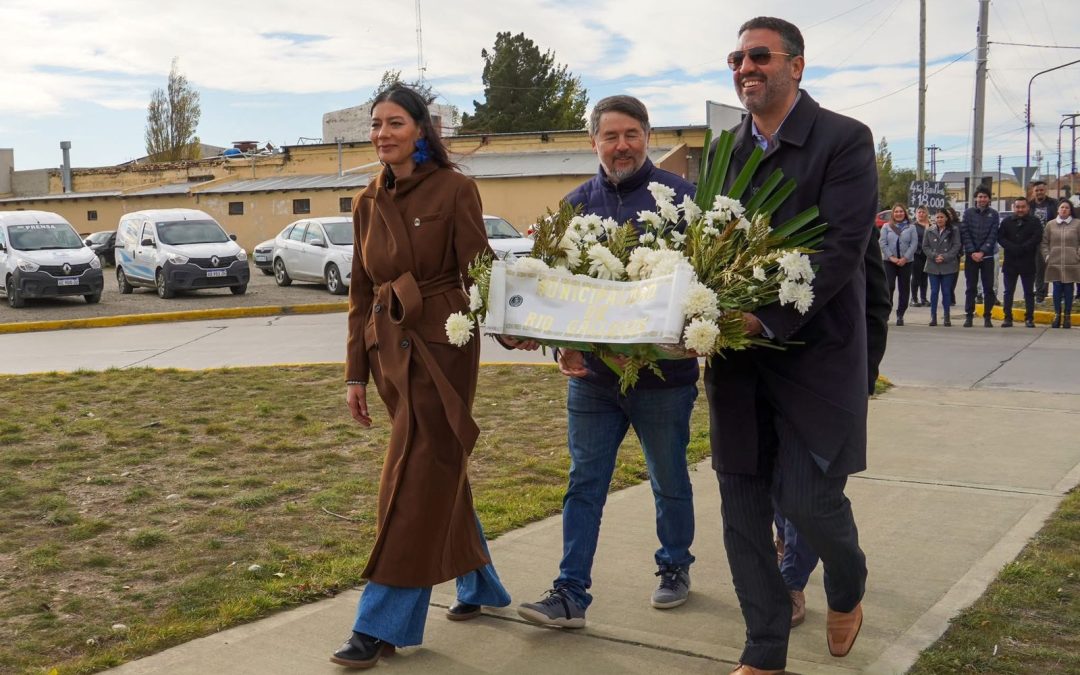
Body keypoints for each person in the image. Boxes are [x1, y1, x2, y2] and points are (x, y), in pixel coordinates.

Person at [707, 17, 875, 674]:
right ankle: (764, 650)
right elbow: (706, 245)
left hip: (814, 356)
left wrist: (765, 319)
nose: (745, 68)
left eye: (759, 56)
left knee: (810, 500)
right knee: (743, 509)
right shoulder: (725, 150)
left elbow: (840, 251)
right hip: (736, 365)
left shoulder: (843, 140)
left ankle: (847, 584)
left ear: (796, 66)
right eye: (736, 59)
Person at [332, 84, 511, 669]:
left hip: (444, 349)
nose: (384, 134)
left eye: (395, 123)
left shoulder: (456, 188)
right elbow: (360, 293)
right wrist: (355, 374)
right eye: (377, 125)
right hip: (389, 351)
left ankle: (380, 622)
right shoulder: (364, 202)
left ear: (420, 129)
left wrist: (512, 323)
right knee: (436, 469)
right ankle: (481, 584)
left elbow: (479, 271)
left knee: (412, 474)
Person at [515, 95, 700, 629]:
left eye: (631, 135)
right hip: (593, 381)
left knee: (668, 479)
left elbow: (702, 285)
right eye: (610, 136)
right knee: (584, 483)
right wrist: (561, 344)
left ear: (648, 138)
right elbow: (559, 293)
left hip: (664, 379)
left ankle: (674, 566)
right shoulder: (573, 206)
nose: (621, 146)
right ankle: (570, 592)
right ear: (593, 142)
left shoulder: (681, 200)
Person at [997, 197, 1042, 328]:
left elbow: (1037, 237)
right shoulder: (1006, 222)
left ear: (1028, 208)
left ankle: (1029, 318)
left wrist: (1023, 248)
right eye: (1018, 207)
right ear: (1013, 208)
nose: (1020, 209)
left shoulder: (1035, 221)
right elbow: (1001, 238)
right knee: (1008, 292)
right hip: (1010, 262)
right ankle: (1007, 318)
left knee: (1029, 292)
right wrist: (1012, 247)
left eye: (1023, 207)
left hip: (1028, 262)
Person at [960, 186, 1000, 327]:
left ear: (989, 199)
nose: (982, 199)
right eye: (980, 196)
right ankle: (969, 316)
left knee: (988, 288)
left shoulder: (994, 214)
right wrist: (972, 252)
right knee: (971, 287)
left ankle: (987, 316)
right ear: (976, 198)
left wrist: (982, 252)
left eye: (985, 196)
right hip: (971, 256)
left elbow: (993, 234)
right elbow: (964, 232)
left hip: (987, 256)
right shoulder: (968, 213)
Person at [1041, 199, 1079, 329]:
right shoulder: (1050, 225)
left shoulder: (1077, 224)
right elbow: (1044, 242)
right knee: (1056, 288)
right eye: (1062, 207)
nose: (1064, 210)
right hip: (1055, 262)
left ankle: (1067, 316)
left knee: (1069, 289)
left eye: (1067, 208)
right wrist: (1047, 256)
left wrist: (1078, 255)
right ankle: (1057, 315)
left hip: (1071, 262)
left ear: (1070, 210)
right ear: (1058, 210)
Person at [922, 209, 962, 326]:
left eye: (942, 217)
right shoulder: (929, 230)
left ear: (946, 218)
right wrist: (935, 256)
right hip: (933, 265)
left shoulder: (954, 230)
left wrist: (944, 257)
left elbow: (956, 246)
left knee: (946, 292)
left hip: (948, 265)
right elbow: (925, 247)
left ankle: (947, 316)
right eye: (937, 217)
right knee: (934, 292)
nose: (939, 219)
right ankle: (933, 317)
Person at [879, 203, 917, 325]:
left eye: (901, 211)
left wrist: (905, 258)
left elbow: (914, 244)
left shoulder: (911, 227)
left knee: (904, 289)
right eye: (896, 212)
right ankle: (886, 313)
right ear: (892, 214)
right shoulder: (886, 226)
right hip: (889, 262)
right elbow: (882, 243)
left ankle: (900, 314)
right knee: (889, 287)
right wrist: (892, 257)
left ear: (904, 213)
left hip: (906, 263)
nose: (899, 214)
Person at [1028, 181, 1058, 303]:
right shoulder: (1030, 205)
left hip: (1052, 240)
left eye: (1041, 190)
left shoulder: (1054, 204)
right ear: (1033, 192)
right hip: (1035, 241)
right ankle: (1040, 293)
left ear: (1045, 190)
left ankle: (1056, 293)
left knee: (1054, 268)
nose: (1039, 192)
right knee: (1039, 269)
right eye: (1037, 190)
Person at [910, 206, 931, 306]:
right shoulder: (913, 226)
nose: (921, 214)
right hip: (916, 254)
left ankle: (924, 298)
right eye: (919, 212)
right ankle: (914, 298)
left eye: (923, 212)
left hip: (928, 255)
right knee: (916, 277)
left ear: (926, 213)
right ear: (916, 214)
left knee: (924, 277)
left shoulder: (931, 225)